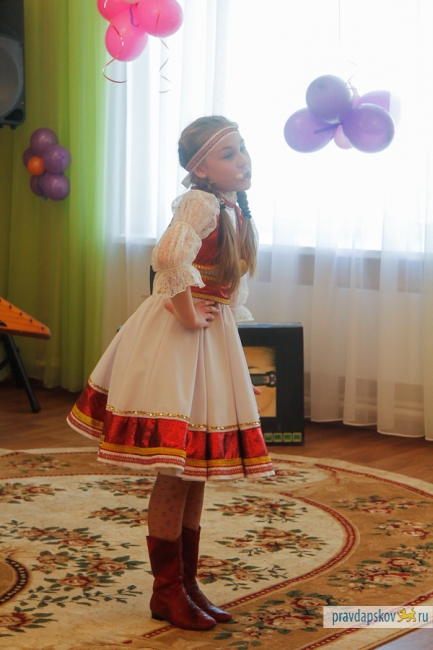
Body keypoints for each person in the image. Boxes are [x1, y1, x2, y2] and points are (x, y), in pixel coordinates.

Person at [67, 115, 274, 631]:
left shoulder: (230, 207)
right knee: (175, 470)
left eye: (242, 149)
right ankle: (166, 591)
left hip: (209, 335)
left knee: (196, 467)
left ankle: (186, 582)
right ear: (200, 169)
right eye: (228, 153)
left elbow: (223, 281)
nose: (242, 160)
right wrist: (185, 313)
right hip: (181, 340)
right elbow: (168, 256)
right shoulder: (200, 203)